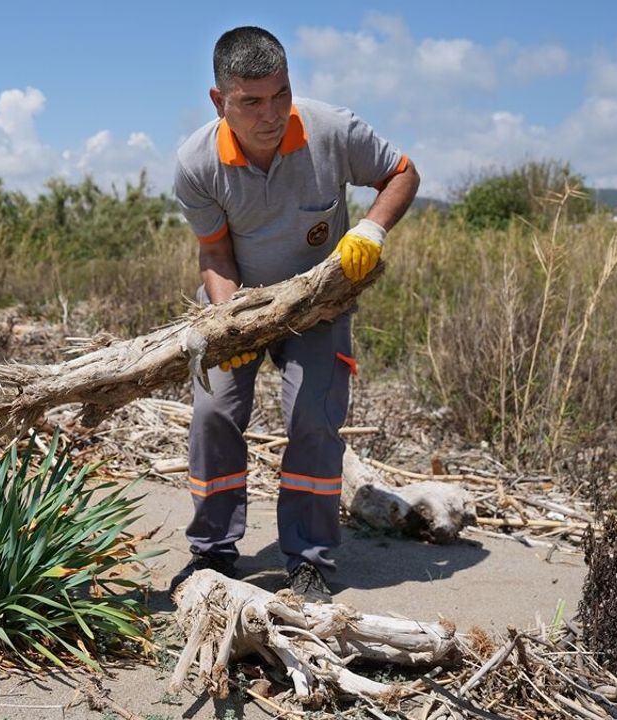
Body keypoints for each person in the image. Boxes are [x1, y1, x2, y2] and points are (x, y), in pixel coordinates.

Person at [170, 26, 419, 602]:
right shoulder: (196, 163)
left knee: (313, 418)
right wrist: (231, 322)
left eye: (280, 94)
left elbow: (403, 172)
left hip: (318, 305)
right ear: (219, 100)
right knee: (213, 414)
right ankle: (212, 554)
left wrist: (372, 230)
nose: (271, 114)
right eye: (251, 101)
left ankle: (309, 563)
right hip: (238, 298)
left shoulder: (332, 130)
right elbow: (215, 254)